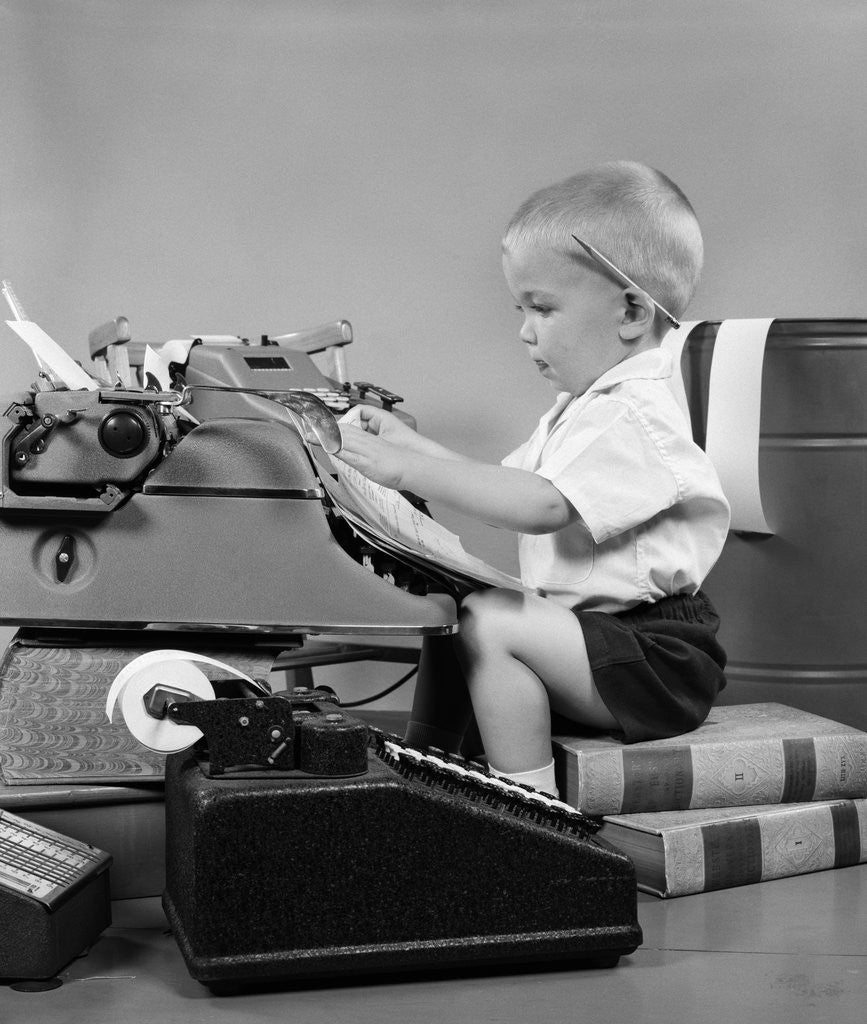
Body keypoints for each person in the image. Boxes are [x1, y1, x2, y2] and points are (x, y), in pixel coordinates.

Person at [335, 160, 730, 798]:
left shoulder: (633, 415)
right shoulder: (584, 407)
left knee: (491, 619)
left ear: (630, 310)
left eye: (541, 308)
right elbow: (506, 485)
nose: (523, 331)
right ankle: (428, 772)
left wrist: (412, 468)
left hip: (652, 658)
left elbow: (541, 506)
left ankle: (527, 811)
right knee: (453, 603)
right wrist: (414, 444)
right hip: (595, 644)